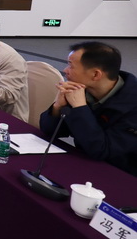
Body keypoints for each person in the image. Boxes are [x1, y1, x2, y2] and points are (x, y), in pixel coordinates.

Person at [39, 41, 137, 177]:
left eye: (71, 66)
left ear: (96, 75)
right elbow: (50, 131)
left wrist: (80, 108)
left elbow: (102, 151)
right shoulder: (82, 90)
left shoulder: (132, 105)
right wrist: (57, 106)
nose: (65, 70)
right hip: (85, 162)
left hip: (122, 176)